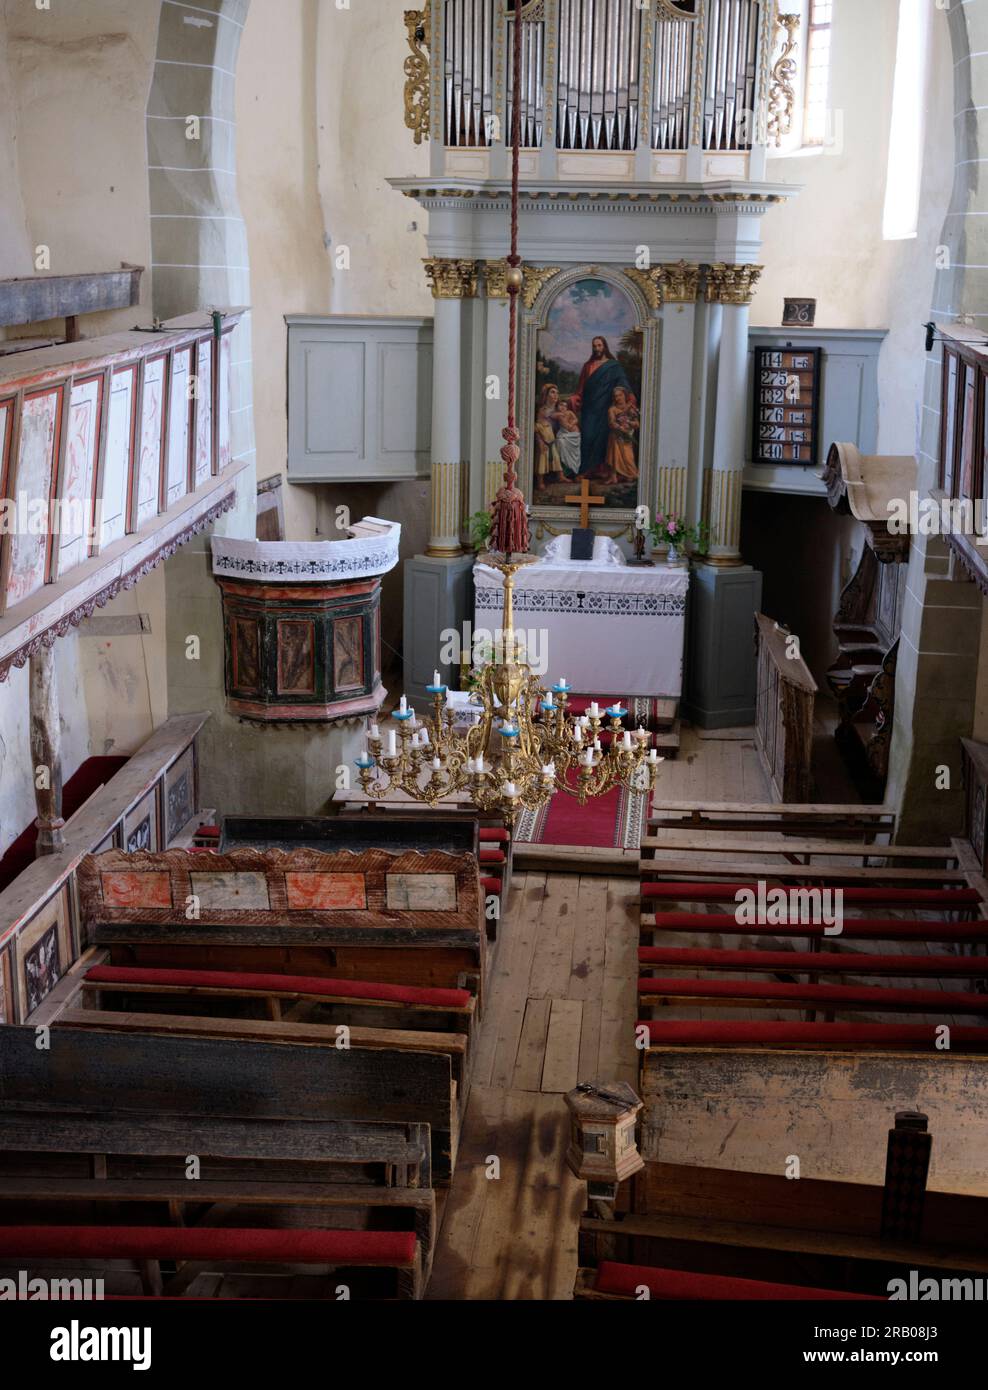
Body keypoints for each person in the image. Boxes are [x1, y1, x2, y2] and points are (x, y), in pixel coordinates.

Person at [568, 336, 632, 479]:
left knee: (603, 438)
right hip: (589, 408)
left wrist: (626, 396)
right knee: (588, 437)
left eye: (599, 345)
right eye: (594, 346)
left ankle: (601, 470)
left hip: (605, 406)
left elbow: (623, 382)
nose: (597, 348)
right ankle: (585, 469)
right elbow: (581, 387)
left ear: (604, 346)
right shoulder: (588, 365)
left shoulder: (613, 366)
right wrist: (575, 397)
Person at [599, 386, 640, 484]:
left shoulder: (630, 408)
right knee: (614, 454)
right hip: (616, 435)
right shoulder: (612, 409)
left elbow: (637, 424)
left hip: (626, 437)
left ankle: (630, 474)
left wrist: (629, 423)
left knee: (628, 457)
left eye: (620, 395)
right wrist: (619, 427)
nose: (618, 398)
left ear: (625, 395)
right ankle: (613, 477)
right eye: (616, 396)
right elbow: (611, 423)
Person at [534, 383, 564, 484]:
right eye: (552, 392)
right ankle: (540, 481)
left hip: (553, 439)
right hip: (544, 440)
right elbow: (537, 428)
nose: (556, 395)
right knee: (542, 461)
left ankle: (561, 476)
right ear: (546, 395)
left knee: (556, 458)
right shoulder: (543, 410)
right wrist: (540, 442)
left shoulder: (558, 408)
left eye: (557, 393)